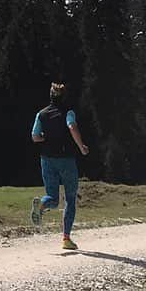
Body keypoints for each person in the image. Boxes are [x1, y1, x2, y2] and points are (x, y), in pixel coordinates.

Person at [29, 83, 90, 250]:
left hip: (47, 159)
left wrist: (46, 138)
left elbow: (35, 137)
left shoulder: (41, 114)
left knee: (53, 198)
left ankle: (42, 204)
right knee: (70, 199)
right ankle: (66, 238)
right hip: (66, 160)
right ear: (64, 96)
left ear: (50, 96)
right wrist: (81, 146)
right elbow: (72, 127)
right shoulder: (68, 112)